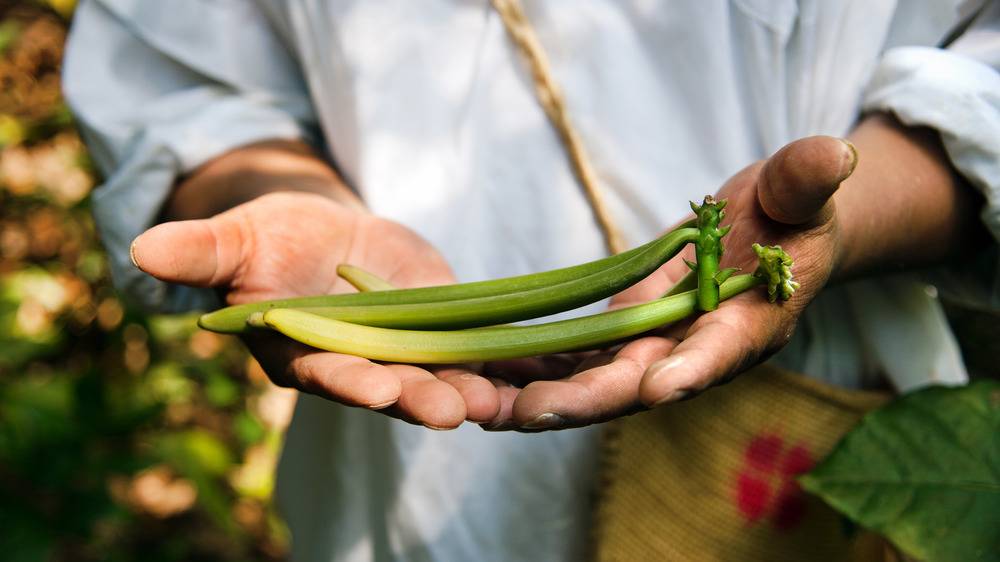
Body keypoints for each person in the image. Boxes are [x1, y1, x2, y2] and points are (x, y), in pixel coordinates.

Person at [62, 1, 1000, 560]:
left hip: (799, 420)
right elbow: (184, 76)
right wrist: (277, 191)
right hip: (405, 491)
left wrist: (839, 212)